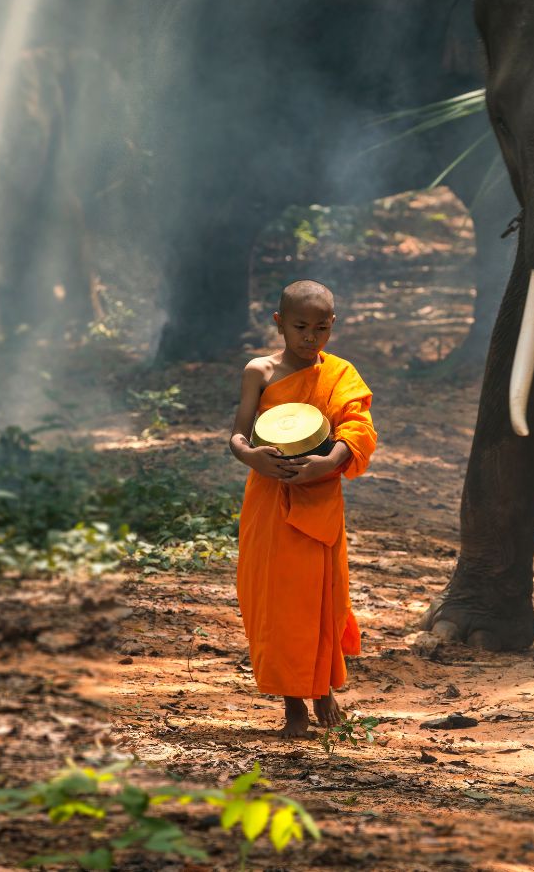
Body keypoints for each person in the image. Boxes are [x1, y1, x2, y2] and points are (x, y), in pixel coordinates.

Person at [228, 280, 376, 737]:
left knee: (321, 600)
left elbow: (359, 426)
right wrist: (252, 456)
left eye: (321, 328)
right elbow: (238, 435)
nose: (310, 337)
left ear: (333, 326)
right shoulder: (260, 371)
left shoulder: (340, 373)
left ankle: (322, 688)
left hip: (320, 494)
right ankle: (294, 703)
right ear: (279, 323)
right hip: (271, 497)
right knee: (280, 600)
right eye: (300, 327)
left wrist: (329, 462)